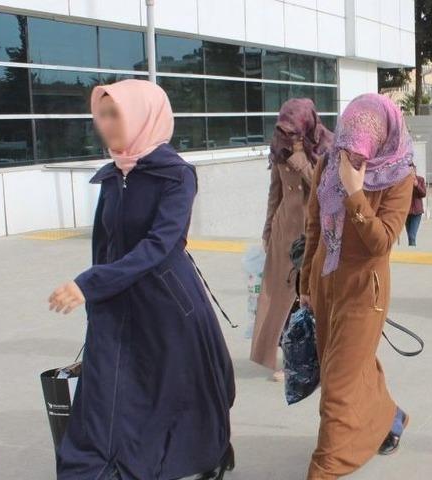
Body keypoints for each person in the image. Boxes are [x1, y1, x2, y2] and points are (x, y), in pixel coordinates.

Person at [48, 80, 235, 479]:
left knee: (171, 390)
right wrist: (96, 298)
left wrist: (89, 284)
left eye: (114, 114)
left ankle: (192, 457)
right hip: (116, 298)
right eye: (101, 115)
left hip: (167, 302)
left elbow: (159, 245)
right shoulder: (113, 174)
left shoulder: (176, 175)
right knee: (111, 389)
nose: (104, 124)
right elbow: (104, 244)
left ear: (141, 116)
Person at [299, 93, 415, 479]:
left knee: (337, 384)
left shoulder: (400, 175)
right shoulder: (329, 160)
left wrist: (354, 192)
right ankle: (390, 416)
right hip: (325, 282)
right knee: (349, 365)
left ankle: (325, 467)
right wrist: (305, 283)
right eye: (347, 147)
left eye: (360, 152)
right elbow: (314, 226)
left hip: (366, 290)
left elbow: (381, 242)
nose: (351, 158)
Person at [252, 98, 333, 381]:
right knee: (281, 300)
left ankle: (316, 358)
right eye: (284, 130)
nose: (288, 136)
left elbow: (327, 190)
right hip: (284, 231)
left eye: (294, 131)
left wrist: (300, 160)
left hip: (316, 233)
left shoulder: (326, 146)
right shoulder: (279, 147)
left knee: (309, 296)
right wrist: (267, 231)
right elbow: (274, 192)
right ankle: (291, 360)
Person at [405, 175, 427, 246]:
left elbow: (423, 193)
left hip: (417, 212)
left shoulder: (420, 180)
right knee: (410, 236)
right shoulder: (404, 180)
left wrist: (417, 185)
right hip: (407, 212)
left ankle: (412, 250)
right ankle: (411, 250)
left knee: (412, 236)